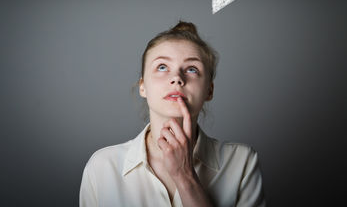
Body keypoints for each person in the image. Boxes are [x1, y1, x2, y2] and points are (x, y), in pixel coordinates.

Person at [79, 21, 266, 207]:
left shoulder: (241, 161)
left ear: (209, 91)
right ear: (143, 86)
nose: (177, 78)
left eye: (192, 69)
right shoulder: (102, 167)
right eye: (162, 67)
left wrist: (184, 176)